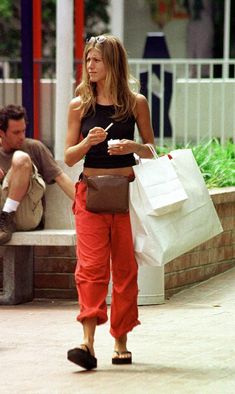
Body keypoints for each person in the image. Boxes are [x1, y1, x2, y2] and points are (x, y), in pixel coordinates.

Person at [64, 34, 155, 370]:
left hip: (127, 194)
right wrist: (88, 142)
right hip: (90, 193)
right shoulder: (79, 105)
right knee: (90, 269)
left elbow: (152, 150)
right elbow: (68, 156)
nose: (90, 66)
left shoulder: (135, 102)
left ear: (112, 63)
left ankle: (120, 340)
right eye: (87, 60)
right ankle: (86, 342)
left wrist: (132, 147)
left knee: (126, 270)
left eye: (96, 60)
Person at [0, 104, 75, 244]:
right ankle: (4, 221)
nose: (22, 136)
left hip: (26, 214)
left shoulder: (34, 147)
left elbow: (61, 178)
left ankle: (7, 215)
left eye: (23, 131)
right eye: (16, 133)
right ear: (2, 133)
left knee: (21, 158)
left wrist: (84, 206)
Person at [184, 0, 214, 77]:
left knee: (203, 51)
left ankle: (203, 75)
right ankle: (192, 73)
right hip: (193, 22)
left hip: (205, 22)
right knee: (191, 51)